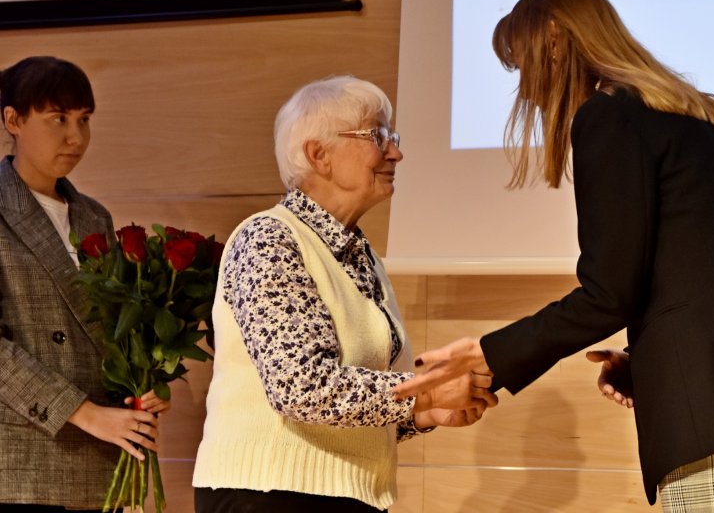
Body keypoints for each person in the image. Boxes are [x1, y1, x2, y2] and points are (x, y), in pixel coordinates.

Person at [393, 0, 714, 510]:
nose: (526, 88)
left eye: (524, 63)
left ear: (555, 39)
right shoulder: (700, 121)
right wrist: (648, 359)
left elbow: (608, 292)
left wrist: (489, 355)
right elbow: (703, 279)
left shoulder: (609, 116)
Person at [192, 76, 495, 513]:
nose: (396, 152)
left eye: (393, 136)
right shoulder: (268, 238)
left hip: (342, 496)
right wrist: (423, 394)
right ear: (319, 155)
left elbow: (353, 405)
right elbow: (302, 387)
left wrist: (423, 414)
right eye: (378, 136)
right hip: (266, 495)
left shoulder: (362, 255)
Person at [0, 56, 169, 511]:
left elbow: (109, 329)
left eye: (84, 119)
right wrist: (85, 413)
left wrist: (145, 383)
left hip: (104, 455)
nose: (76, 137)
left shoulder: (93, 215)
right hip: (22, 463)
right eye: (58, 119)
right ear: (12, 120)